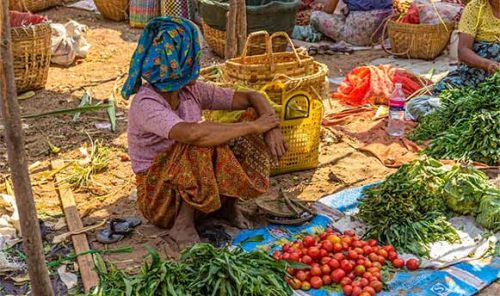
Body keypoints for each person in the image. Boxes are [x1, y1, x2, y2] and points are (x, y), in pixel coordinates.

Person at [123, 17, 287, 248]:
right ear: (183, 59)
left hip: (193, 190)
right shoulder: (147, 104)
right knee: (201, 142)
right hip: (160, 199)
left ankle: (227, 206)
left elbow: (253, 97)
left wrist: (271, 127)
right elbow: (193, 134)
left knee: (244, 120)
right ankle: (182, 225)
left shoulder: (190, 91)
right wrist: (253, 127)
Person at [434, 0, 500, 93]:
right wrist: (488, 64)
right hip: (477, 70)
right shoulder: (475, 7)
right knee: (444, 90)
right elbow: (463, 50)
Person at [309, 0, 393, 46]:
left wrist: (320, 6)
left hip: (361, 32)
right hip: (384, 30)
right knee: (343, 13)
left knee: (316, 16)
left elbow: (329, 9)